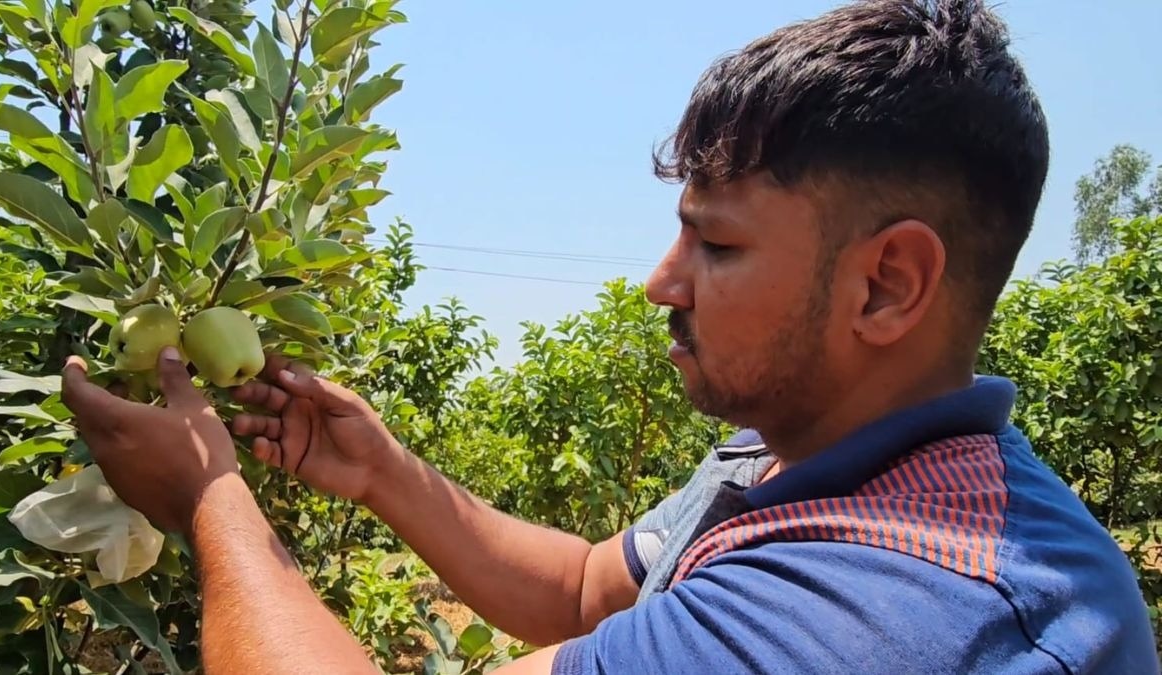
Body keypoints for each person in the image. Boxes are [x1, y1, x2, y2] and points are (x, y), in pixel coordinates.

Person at [60, 0, 1158, 672]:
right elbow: (591, 588)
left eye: (716, 248)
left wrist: (210, 505)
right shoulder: (796, 453)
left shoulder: (892, 612)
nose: (658, 282)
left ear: (888, 286)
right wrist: (382, 472)